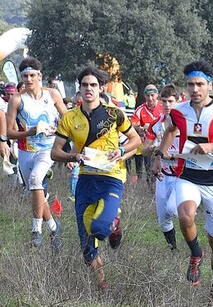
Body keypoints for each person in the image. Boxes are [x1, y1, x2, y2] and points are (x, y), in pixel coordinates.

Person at [152, 60, 213, 300]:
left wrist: (212, 146)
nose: (195, 89)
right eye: (191, 84)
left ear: (210, 85)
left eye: (200, 84)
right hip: (187, 177)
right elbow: (170, 130)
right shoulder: (178, 111)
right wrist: (159, 156)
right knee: (185, 215)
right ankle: (196, 254)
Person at [51, 66, 141, 289]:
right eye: (84, 85)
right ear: (79, 89)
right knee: (86, 245)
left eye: (93, 85)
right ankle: (102, 284)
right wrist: (74, 155)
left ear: (101, 88)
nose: (88, 89)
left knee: (100, 228)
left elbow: (136, 140)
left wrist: (120, 151)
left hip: (111, 177)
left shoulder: (114, 113)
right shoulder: (70, 118)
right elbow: (55, 152)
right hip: (85, 179)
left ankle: (115, 226)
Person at [6, 57, 68, 247]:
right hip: (26, 151)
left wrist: (59, 132)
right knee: (35, 191)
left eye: (32, 75)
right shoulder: (17, 99)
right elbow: (9, 132)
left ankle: (36, 230)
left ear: (39, 76)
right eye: (25, 76)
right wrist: (30, 132)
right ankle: (53, 226)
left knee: (35, 180)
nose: (29, 79)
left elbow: (68, 120)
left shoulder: (52, 95)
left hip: (48, 149)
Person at [150, 84, 181, 250]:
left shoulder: (186, 124)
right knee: (163, 219)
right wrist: (153, 149)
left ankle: (194, 243)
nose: (167, 105)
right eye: (164, 101)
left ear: (177, 101)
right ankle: (173, 250)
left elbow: (192, 151)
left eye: (171, 101)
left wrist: (170, 155)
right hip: (162, 175)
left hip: (181, 174)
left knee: (173, 209)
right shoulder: (157, 125)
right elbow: (145, 148)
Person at [130, 84, 162, 183]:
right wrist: (139, 129)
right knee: (150, 172)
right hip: (148, 145)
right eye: (148, 96)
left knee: (163, 170)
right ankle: (151, 193)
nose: (150, 98)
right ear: (145, 96)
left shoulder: (163, 106)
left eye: (152, 95)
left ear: (157, 94)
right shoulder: (140, 109)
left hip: (163, 144)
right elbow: (132, 124)